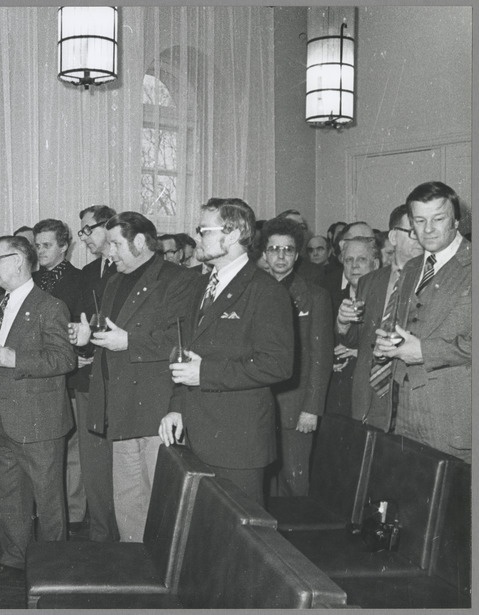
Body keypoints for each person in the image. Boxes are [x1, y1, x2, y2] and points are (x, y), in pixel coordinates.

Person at [70, 212, 197, 542]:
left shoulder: (177, 280)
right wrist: (88, 336)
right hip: (121, 408)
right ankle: (137, 567)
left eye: (115, 243)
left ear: (140, 242)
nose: (108, 252)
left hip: (157, 409)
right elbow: (109, 332)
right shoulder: (114, 280)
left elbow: (179, 340)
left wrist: (129, 341)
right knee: (128, 502)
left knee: (163, 501)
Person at [158, 198, 294, 506]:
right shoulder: (202, 285)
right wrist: (177, 406)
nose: (197, 238)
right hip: (195, 433)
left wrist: (204, 373)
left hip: (237, 443)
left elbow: (278, 365)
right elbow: (190, 354)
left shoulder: (265, 291)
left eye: (205, 230)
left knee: (237, 541)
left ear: (232, 235)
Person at [0, 236, 75, 576]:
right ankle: (14, 557)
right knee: (9, 494)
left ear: (19, 260)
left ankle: (53, 567)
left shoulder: (50, 306)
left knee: (48, 498)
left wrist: (16, 358)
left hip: (38, 421)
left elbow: (64, 358)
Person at [374, 181, 471, 463]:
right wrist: (388, 345)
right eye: (419, 220)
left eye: (438, 219)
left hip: (456, 420)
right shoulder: (413, 267)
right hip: (404, 412)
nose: (427, 229)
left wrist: (423, 352)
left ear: (456, 219)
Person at [260, 218, 333, 497]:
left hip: (295, 407)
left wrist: (312, 408)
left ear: (297, 254)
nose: (280, 256)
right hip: (258, 404)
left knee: (294, 480)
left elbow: (320, 356)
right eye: (274, 249)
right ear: (264, 253)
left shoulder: (315, 297)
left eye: (288, 250)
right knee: (263, 482)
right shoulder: (252, 291)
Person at [337, 205, 423, 428]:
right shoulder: (370, 281)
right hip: (368, 393)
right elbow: (356, 340)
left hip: (408, 396)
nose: (422, 236)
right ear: (393, 236)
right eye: (413, 231)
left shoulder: (430, 280)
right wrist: (344, 322)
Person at [32, 218, 87, 535]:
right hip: (39, 377)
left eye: (47, 245)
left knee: (73, 450)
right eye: (37, 245)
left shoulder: (80, 281)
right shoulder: (31, 280)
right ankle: (48, 514)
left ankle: (75, 516)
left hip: (69, 376)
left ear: (64, 246)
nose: (40, 250)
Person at [74, 205, 119, 542]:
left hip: (119, 382)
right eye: (83, 232)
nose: (85, 237)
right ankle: (101, 535)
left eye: (89, 229)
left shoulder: (130, 270)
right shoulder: (88, 272)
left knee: (122, 466)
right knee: (93, 464)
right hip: (89, 379)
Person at [325, 237, 381, 416]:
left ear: (376, 264)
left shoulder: (387, 299)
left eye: (361, 259)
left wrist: (360, 352)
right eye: (349, 260)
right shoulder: (327, 297)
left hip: (372, 395)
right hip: (337, 395)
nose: (354, 265)